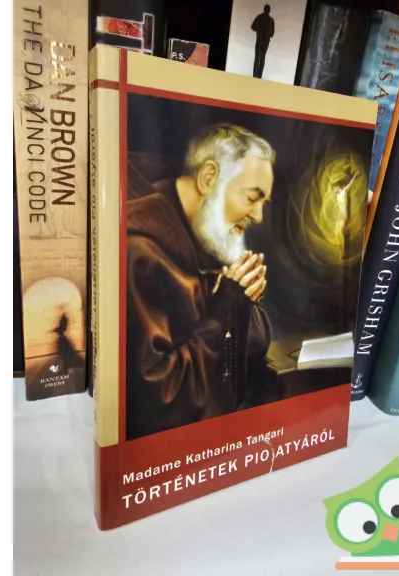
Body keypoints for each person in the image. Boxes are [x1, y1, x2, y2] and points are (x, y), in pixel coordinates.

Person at [126, 124, 276, 439]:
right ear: (208, 178)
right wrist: (227, 308)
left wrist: (241, 301)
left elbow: (254, 345)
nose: (258, 216)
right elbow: (158, 400)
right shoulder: (139, 250)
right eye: (252, 197)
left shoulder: (206, 238)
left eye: (263, 203)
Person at [251, 4, 275, 79]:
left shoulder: (259, 17)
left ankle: (254, 75)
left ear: (264, 9)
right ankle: (259, 76)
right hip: (265, 43)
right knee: (262, 58)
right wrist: (267, 34)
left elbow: (252, 27)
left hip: (259, 40)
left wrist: (258, 31)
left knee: (257, 58)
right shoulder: (271, 20)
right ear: (269, 10)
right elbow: (272, 34)